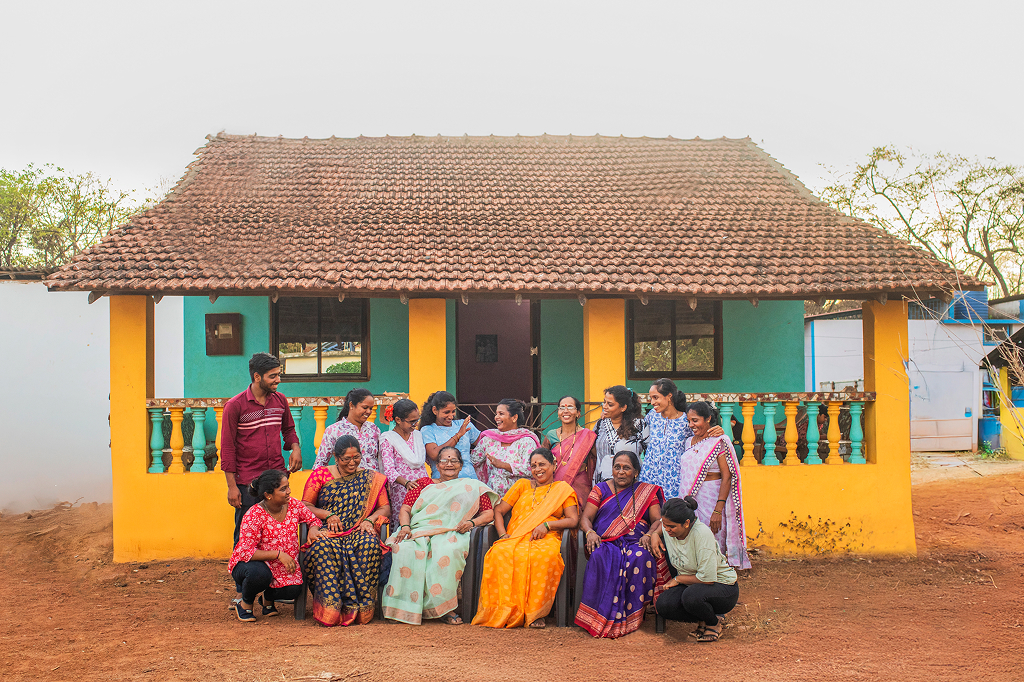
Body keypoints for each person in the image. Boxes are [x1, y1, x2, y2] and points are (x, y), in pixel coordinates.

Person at [382, 446, 498, 625]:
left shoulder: (471, 487)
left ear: (461, 466)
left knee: (448, 551)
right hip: (417, 530)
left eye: (454, 461)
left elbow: (488, 514)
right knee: (404, 548)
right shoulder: (422, 484)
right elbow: (405, 509)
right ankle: (403, 609)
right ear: (437, 465)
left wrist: (471, 523)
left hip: (452, 531)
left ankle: (445, 609)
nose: (449, 464)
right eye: (444, 461)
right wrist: (405, 527)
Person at [472, 448, 579, 629]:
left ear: (553, 465)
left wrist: (547, 525)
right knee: (499, 552)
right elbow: (499, 510)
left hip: (548, 537)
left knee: (544, 557)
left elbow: (573, 519)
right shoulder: (522, 485)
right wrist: (502, 534)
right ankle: (504, 611)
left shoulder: (563, 489)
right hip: (516, 537)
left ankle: (534, 614)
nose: (538, 469)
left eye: (542, 464)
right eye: (533, 466)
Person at [302, 435, 392, 627]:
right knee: (321, 548)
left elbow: (385, 508)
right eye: (346, 459)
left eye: (356, 457)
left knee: (369, 545)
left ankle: (363, 609)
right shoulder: (320, 475)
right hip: (329, 529)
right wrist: (327, 514)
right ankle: (331, 609)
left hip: (359, 528)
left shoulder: (370, 477)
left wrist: (370, 519)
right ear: (336, 456)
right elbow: (305, 505)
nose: (352, 463)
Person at [574, 451, 666, 638]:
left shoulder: (647, 491)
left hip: (637, 541)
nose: (621, 472)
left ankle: (634, 617)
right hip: (606, 541)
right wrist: (590, 532)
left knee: (640, 557)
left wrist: (650, 534)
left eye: (627, 468)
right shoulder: (600, 489)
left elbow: (658, 520)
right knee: (600, 556)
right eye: (617, 467)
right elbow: (586, 518)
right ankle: (598, 616)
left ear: (636, 472)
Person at [221, 353, 302, 546]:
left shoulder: (280, 400)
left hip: (276, 478)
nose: (278, 380)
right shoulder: (235, 406)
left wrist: (295, 448)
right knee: (245, 536)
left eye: (279, 375)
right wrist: (232, 487)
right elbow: (227, 448)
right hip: (248, 482)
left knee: (279, 532)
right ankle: (243, 574)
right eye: (272, 376)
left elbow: (288, 429)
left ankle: (277, 574)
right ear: (257, 377)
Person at [228, 469, 324, 622]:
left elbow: (313, 519)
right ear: (268, 495)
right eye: (283, 489)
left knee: (295, 589)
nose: (289, 491)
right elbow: (247, 552)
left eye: (288, 486)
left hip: (282, 566)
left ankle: (267, 598)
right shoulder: (254, 515)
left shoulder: (293, 505)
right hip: (251, 564)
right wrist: (279, 554)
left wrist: (313, 529)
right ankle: (245, 604)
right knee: (259, 575)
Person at [653, 496, 739, 643]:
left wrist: (678, 579)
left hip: (721, 587)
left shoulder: (702, 535)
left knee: (691, 597)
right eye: (665, 526)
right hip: (692, 585)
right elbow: (661, 525)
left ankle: (713, 622)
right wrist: (654, 534)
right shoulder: (669, 528)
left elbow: (707, 579)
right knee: (664, 604)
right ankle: (703, 618)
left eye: (671, 526)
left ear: (686, 523)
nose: (667, 530)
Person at [677, 401, 750, 569]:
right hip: (692, 499)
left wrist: (718, 509)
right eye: (689, 421)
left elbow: (727, 476)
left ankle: (717, 571)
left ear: (708, 418)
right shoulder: (688, 442)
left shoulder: (719, 441)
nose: (691, 425)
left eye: (695, 420)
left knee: (712, 534)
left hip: (712, 496)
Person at [640, 378, 723, 499]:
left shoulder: (685, 420)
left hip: (675, 480)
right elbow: (636, 427)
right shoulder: (652, 415)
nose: (652, 402)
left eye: (655, 397)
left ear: (669, 396)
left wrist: (718, 430)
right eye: (651, 398)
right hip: (650, 476)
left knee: (673, 515)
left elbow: (701, 440)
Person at [470, 399, 540, 497]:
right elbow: (472, 462)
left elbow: (531, 469)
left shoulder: (527, 441)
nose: (496, 417)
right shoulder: (489, 440)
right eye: (496, 414)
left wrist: (503, 465)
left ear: (514, 417)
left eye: (501, 414)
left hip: (519, 498)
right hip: (492, 499)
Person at [379, 398, 430, 527]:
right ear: (398, 420)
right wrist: (406, 483)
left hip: (423, 487)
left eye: (417, 420)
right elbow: (389, 469)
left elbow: (426, 460)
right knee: (405, 524)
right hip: (402, 490)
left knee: (425, 522)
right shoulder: (388, 438)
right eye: (412, 422)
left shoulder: (417, 435)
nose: (416, 425)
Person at [542, 395, 597, 505]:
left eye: (570, 407)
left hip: (580, 484)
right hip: (555, 485)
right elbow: (542, 460)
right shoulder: (551, 435)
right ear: (558, 412)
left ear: (578, 413)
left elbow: (596, 460)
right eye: (562, 408)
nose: (565, 411)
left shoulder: (588, 436)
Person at [313, 388, 380, 471]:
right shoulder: (334, 430)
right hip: (346, 482)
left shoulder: (374, 429)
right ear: (351, 405)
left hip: (374, 482)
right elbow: (320, 464)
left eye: (371, 408)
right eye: (365, 407)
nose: (369, 411)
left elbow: (382, 459)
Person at [419, 391, 481, 479]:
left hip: (469, 481)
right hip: (443, 483)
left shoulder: (464, 425)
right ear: (435, 410)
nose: (451, 416)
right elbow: (434, 455)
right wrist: (458, 435)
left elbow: (485, 445)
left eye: (453, 411)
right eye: (446, 412)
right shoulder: (428, 430)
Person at [594, 386, 647, 484]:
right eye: (604, 402)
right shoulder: (600, 424)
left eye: (610, 404)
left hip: (631, 484)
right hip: (603, 484)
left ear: (623, 407)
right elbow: (593, 453)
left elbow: (650, 454)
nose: (604, 406)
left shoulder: (639, 425)